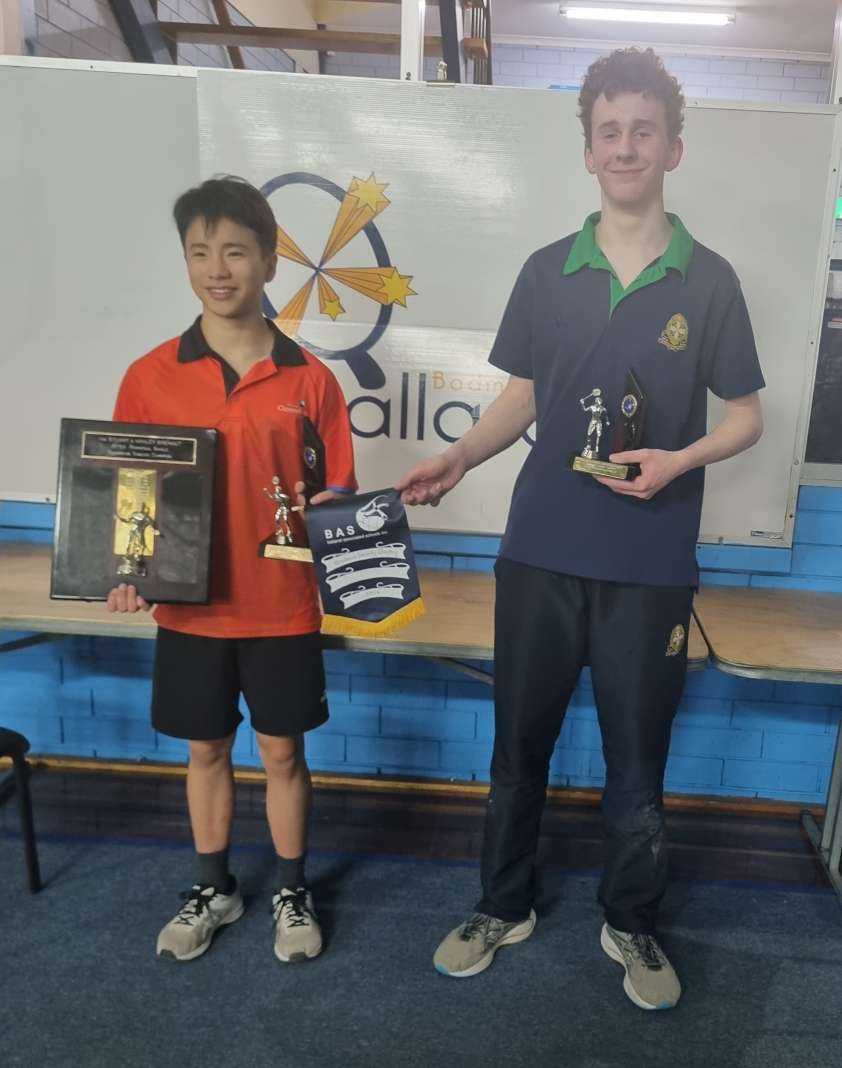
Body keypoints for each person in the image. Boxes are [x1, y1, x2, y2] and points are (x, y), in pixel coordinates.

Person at [397, 48, 764, 1010]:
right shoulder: (546, 271)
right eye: (610, 131)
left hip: (650, 560)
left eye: (645, 130)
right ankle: (502, 904)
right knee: (518, 747)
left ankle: (630, 921)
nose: (626, 146)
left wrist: (679, 461)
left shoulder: (710, 280)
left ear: (674, 147)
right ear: (588, 150)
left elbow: (747, 418)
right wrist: (459, 457)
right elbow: (523, 396)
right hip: (540, 550)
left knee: (637, 762)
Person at [107, 176, 356, 964]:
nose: (218, 269)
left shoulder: (311, 380)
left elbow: (337, 494)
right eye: (200, 252)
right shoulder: (150, 375)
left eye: (237, 252)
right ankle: (214, 887)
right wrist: (127, 566)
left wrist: (350, 539)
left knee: (283, 754)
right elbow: (130, 493)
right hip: (190, 608)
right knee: (206, 750)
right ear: (186, 261)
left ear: (270, 262)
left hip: (283, 607)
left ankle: (292, 889)